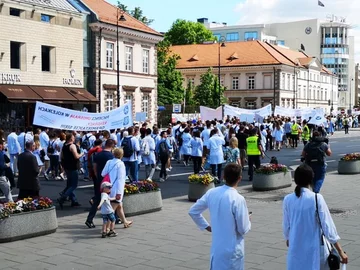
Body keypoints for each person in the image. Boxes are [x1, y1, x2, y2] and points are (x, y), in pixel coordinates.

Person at [282, 164, 348, 270]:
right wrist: (340, 251)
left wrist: (289, 239)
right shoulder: (316, 198)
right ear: (311, 179)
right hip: (314, 250)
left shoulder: (288, 199)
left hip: (296, 249)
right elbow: (328, 227)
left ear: (296, 180)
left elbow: (286, 225)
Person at [189, 163, 251, 270]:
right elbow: (243, 229)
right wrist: (248, 219)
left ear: (223, 176)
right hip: (233, 249)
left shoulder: (212, 193)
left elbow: (193, 211)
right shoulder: (238, 199)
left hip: (217, 249)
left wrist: (206, 226)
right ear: (240, 178)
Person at [85, 139, 115, 228]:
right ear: (112, 146)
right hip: (108, 180)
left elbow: (94, 167)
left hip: (99, 179)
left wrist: (97, 176)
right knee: (112, 198)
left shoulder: (98, 154)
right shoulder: (111, 156)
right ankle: (115, 218)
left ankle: (89, 219)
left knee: (98, 199)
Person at [101, 148, 133, 229]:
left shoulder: (109, 162)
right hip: (116, 189)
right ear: (121, 155)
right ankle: (107, 228)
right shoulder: (121, 164)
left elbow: (103, 174)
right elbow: (121, 179)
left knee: (119, 206)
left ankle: (125, 221)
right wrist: (119, 193)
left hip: (108, 187)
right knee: (112, 209)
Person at [57, 133, 84, 209]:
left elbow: (62, 156)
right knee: (74, 185)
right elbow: (76, 156)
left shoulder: (64, 146)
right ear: (71, 139)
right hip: (73, 166)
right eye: (73, 137)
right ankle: (63, 197)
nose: (74, 138)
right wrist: (81, 154)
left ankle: (73, 200)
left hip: (67, 166)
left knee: (69, 184)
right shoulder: (72, 146)